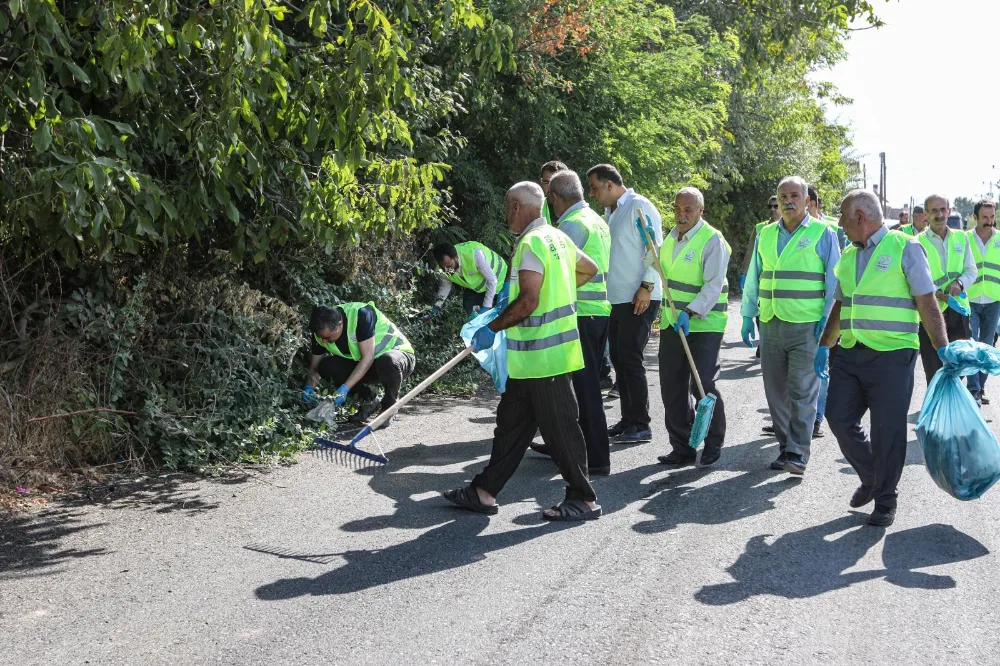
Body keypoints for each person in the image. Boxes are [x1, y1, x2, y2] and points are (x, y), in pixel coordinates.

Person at [443, 181, 602, 521]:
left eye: (506, 207)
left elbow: (528, 301)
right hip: (533, 359)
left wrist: (492, 327)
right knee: (511, 427)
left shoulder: (530, 242)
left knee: (561, 430)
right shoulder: (558, 237)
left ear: (516, 206)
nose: (505, 215)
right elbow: (589, 269)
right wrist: (556, 290)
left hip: (545, 358)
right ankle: (483, 491)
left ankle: (584, 499)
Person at [816, 190, 948, 527]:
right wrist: (824, 344)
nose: (841, 224)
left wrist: (942, 348)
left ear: (860, 217)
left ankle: (885, 501)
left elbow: (927, 301)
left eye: (844, 217)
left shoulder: (906, 247)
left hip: (893, 357)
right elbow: (841, 304)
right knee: (838, 418)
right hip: (849, 354)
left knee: (888, 431)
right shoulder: (847, 253)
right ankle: (873, 476)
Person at [740, 176, 840, 476]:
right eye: (783, 195)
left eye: (795, 195)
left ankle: (798, 452)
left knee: (803, 391)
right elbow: (754, 277)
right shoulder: (766, 234)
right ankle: (785, 447)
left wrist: (827, 321)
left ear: (808, 200)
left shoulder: (824, 233)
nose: (787, 201)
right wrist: (747, 315)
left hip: (807, 325)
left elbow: (835, 281)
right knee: (775, 392)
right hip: (770, 322)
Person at [530, 170, 613, 474]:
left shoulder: (571, 225)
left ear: (554, 198)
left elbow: (561, 270)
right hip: (599, 311)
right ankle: (571, 448)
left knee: (584, 387)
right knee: (583, 385)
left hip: (581, 313)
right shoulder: (597, 220)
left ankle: (595, 458)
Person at [586, 163, 663, 444]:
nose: (592, 194)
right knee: (620, 358)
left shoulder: (638, 206)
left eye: (595, 187)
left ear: (609, 184)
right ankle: (629, 419)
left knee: (630, 358)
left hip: (639, 295)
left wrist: (647, 285)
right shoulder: (611, 212)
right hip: (617, 297)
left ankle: (641, 424)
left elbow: (655, 247)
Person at [655, 187, 731, 467]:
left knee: (704, 384)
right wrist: (645, 242)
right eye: (677, 209)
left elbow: (712, 287)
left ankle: (712, 442)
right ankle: (682, 446)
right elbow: (659, 268)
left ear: (701, 210)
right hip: (672, 323)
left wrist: (690, 310)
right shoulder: (671, 238)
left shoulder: (713, 240)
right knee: (671, 387)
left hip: (704, 323)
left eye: (688, 210)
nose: (681, 215)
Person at [305, 303, 416, 423]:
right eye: (321, 337)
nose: (324, 341)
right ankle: (370, 401)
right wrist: (308, 388)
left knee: (387, 360)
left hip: (398, 359)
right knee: (326, 366)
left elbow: (367, 358)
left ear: (340, 324)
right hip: (368, 365)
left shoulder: (361, 315)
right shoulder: (320, 331)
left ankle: (388, 408)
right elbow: (314, 368)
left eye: (328, 337)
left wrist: (345, 388)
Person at [915, 194, 975, 383]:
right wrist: (938, 293)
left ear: (949, 211)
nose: (940, 215)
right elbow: (915, 277)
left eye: (943, 210)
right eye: (934, 210)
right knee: (933, 368)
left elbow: (971, 270)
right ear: (926, 214)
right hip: (930, 312)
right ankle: (937, 409)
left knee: (961, 364)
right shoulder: (917, 242)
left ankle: (954, 405)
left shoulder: (961, 238)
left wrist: (959, 283)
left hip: (958, 310)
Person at [966, 200, 999, 403]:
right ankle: (973, 389)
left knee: (986, 346)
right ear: (975, 217)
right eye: (985, 217)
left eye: (992, 216)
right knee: (971, 344)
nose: (989, 221)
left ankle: (980, 386)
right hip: (969, 298)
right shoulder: (965, 239)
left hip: (994, 299)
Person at [428, 242, 509, 319]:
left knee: (496, 316)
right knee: (469, 306)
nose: (446, 270)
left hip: (500, 281)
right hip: (478, 287)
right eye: (443, 267)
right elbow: (445, 286)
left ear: (456, 257)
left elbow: (492, 280)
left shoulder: (475, 255)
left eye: (449, 266)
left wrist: (486, 307)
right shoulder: (442, 269)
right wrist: (436, 306)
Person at [739, 196, 780, 291]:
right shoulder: (759, 228)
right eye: (770, 207)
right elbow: (750, 252)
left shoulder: (789, 228)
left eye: (776, 206)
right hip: (761, 276)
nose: (772, 209)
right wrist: (744, 273)